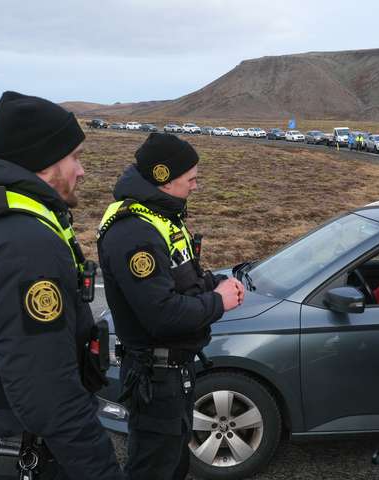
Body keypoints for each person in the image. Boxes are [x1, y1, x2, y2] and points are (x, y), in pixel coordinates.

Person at [0, 91, 124, 479]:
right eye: (75, 157)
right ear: (45, 161)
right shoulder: (24, 246)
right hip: (24, 447)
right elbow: (48, 396)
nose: (82, 171)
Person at [97, 133, 244, 480]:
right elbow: (161, 315)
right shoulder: (135, 231)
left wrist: (214, 284)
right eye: (191, 178)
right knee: (154, 467)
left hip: (174, 374)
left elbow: (181, 279)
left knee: (173, 464)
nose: (196, 186)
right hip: (155, 376)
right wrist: (218, 301)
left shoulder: (162, 217)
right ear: (164, 177)